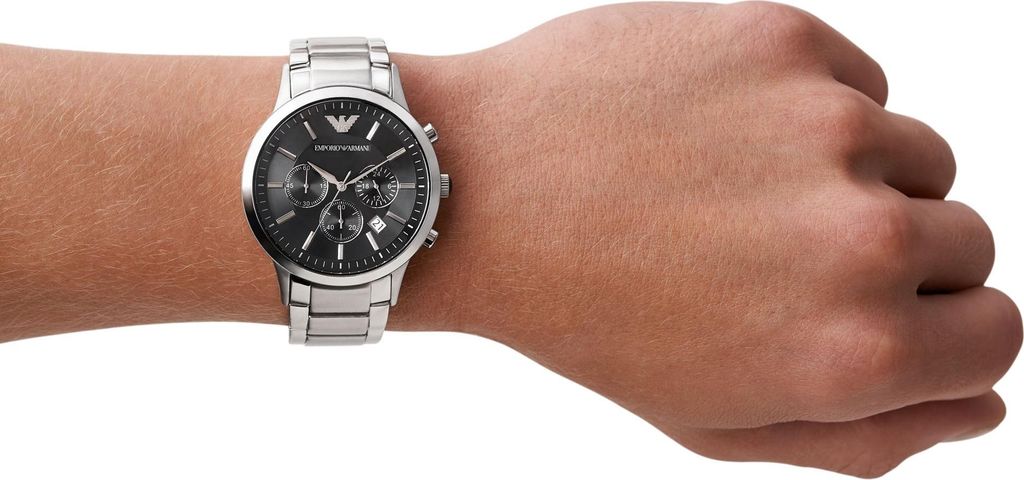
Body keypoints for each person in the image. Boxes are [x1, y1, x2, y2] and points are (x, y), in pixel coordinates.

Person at [0, 2, 1019, 477]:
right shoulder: (369, 187)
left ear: (431, 175)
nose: (349, 183)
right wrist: (514, 212)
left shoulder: (401, 181)